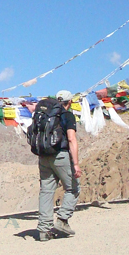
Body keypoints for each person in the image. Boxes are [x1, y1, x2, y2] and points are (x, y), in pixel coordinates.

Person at [36, 90, 81, 241]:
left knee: (46, 191)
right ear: (70, 102)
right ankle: (62, 220)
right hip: (60, 155)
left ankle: (44, 230)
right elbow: (71, 139)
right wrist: (76, 164)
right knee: (73, 187)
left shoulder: (44, 114)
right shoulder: (67, 115)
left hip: (43, 156)